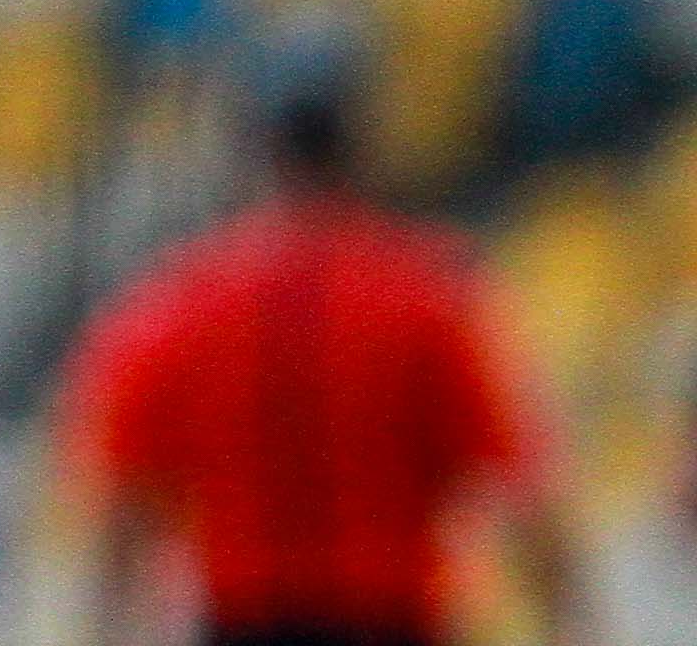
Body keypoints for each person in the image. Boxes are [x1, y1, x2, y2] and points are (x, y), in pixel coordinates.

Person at [53, 52, 586, 646]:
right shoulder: (425, 295)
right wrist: (573, 626)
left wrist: (103, 628)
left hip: (241, 622)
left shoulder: (179, 302)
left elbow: (121, 511)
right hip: (393, 621)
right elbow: (523, 490)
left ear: (253, 153)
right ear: (359, 151)